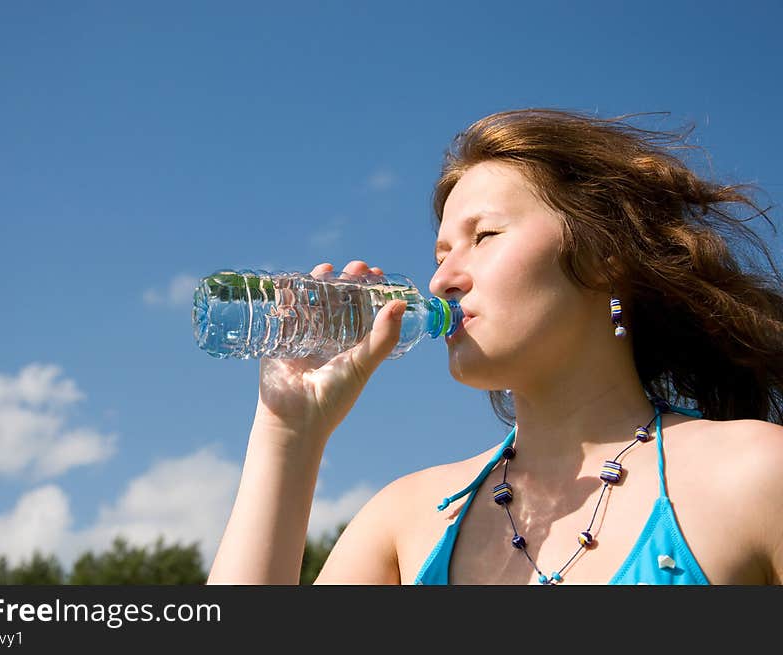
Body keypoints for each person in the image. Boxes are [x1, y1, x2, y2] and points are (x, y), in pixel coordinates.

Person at [207, 108, 783, 585]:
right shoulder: (406, 520)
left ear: (605, 256)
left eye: (483, 237)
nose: (441, 281)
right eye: (439, 256)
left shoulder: (754, 474)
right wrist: (289, 435)